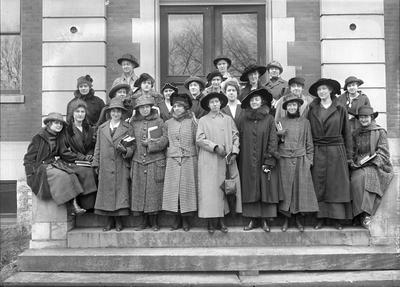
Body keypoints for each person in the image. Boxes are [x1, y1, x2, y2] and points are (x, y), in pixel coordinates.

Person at [307, 78, 353, 230]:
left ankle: (337, 219)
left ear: (331, 90)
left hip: (336, 151)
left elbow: (347, 133)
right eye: (319, 90)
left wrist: (349, 156)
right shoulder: (312, 109)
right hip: (318, 148)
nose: (322, 92)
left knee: (336, 185)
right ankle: (320, 217)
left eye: (324, 89)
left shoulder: (340, 108)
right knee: (319, 184)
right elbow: (308, 132)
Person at [196, 92, 242, 234]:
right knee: (210, 191)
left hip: (227, 159)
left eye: (217, 102)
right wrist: (214, 147)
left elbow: (235, 135)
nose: (215, 104)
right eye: (212, 102)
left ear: (221, 103)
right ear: (208, 105)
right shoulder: (203, 120)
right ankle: (211, 222)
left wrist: (234, 151)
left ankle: (222, 220)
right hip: (209, 160)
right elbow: (199, 139)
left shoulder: (228, 119)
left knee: (225, 189)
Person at [23, 112, 85, 214]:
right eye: (56, 123)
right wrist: (30, 174)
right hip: (41, 167)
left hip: (54, 164)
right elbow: (28, 158)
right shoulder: (39, 137)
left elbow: (64, 153)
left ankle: (73, 206)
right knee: (62, 176)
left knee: (72, 174)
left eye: (60, 124)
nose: (59, 126)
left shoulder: (59, 136)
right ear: (49, 124)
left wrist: (82, 158)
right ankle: (71, 206)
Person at [238, 88, 279, 232]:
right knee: (250, 187)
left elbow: (273, 139)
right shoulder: (243, 119)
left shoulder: (269, 119)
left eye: (257, 99)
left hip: (265, 159)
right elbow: (239, 138)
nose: (254, 102)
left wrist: (270, 159)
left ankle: (265, 220)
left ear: (261, 101)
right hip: (247, 160)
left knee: (265, 187)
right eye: (252, 100)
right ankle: (252, 219)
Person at [277, 94, 319, 232]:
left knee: (299, 191)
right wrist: (279, 136)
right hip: (284, 159)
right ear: (286, 107)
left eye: (294, 105)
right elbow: (274, 143)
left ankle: (298, 220)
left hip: (301, 160)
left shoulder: (305, 122)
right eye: (289, 105)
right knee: (286, 190)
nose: (292, 107)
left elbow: (309, 143)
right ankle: (286, 220)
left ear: (298, 107)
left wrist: (309, 161)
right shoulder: (280, 121)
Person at [92, 98, 133, 232]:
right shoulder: (102, 128)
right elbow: (97, 147)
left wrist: (126, 151)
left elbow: (133, 146)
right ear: (109, 113)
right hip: (105, 165)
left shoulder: (127, 128)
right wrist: (96, 163)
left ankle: (119, 221)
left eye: (118, 112)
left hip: (121, 164)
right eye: (113, 111)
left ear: (122, 113)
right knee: (106, 193)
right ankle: (109, 221)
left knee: (120, 193)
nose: (116, 114)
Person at [350, 106, 394, 228]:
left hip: (376, 165)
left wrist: (372, 161)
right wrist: (352, 162)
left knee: (368, 177)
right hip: (359, 164)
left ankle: (366, 214)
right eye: (361, 118)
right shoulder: (356, 133)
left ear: (372, 117)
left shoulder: (380, 132)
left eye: (366, 117)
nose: (363, 120)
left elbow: (384, 152)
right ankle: (357, 213)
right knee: (355, 179)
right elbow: (353, 151)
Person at [130, 95, 168, 231]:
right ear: (138, 109)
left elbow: (165, 140)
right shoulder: (133, 123)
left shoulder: (159, 121)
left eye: (147, 107)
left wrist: (150, 144)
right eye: (141, 108)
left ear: (151, 108)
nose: (144, 110)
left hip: (155, 161)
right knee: (140, 193)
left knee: (154, 193)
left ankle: (155, 222)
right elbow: (131, 140)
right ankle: (143, 222)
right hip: (139, 162)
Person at [163, 92, 198, 231]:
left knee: (186, 191)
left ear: (185, 108)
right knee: (174, 192)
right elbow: (164, 141)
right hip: (173, 161)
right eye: (175, 106)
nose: (176, 108)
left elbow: (197, 140)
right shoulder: (167, 123)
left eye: (180, 106)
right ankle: (176, 219)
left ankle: (186, 220)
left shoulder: (192, 122)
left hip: (189, 160)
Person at [64, 100, 98, 211]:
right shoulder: (67, 130)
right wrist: (81, 157)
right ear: (72, 114)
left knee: (98, 169)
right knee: (87, 172)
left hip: (88, 160)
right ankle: (87, 206)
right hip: (73, 161)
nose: (80, 114)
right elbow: (64, 150)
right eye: (77, 111)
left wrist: (90, 155)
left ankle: (98, 204)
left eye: (82, 111)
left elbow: (93, 145)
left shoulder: (89, 129)